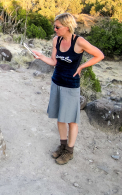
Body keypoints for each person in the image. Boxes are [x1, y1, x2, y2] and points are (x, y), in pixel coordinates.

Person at [32, 13, 104, 165]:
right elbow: (53, 61)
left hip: (71, 86)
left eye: (57, 27)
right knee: (60, 117)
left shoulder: (79, 42)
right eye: (55, 26)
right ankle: (63, 145)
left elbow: (99, 55)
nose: (55, 29)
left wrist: (82, 66)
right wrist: (40, 57)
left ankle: (69, 151)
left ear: (67, 27)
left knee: (71, 120)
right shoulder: (56, 40)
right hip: (56, 82)